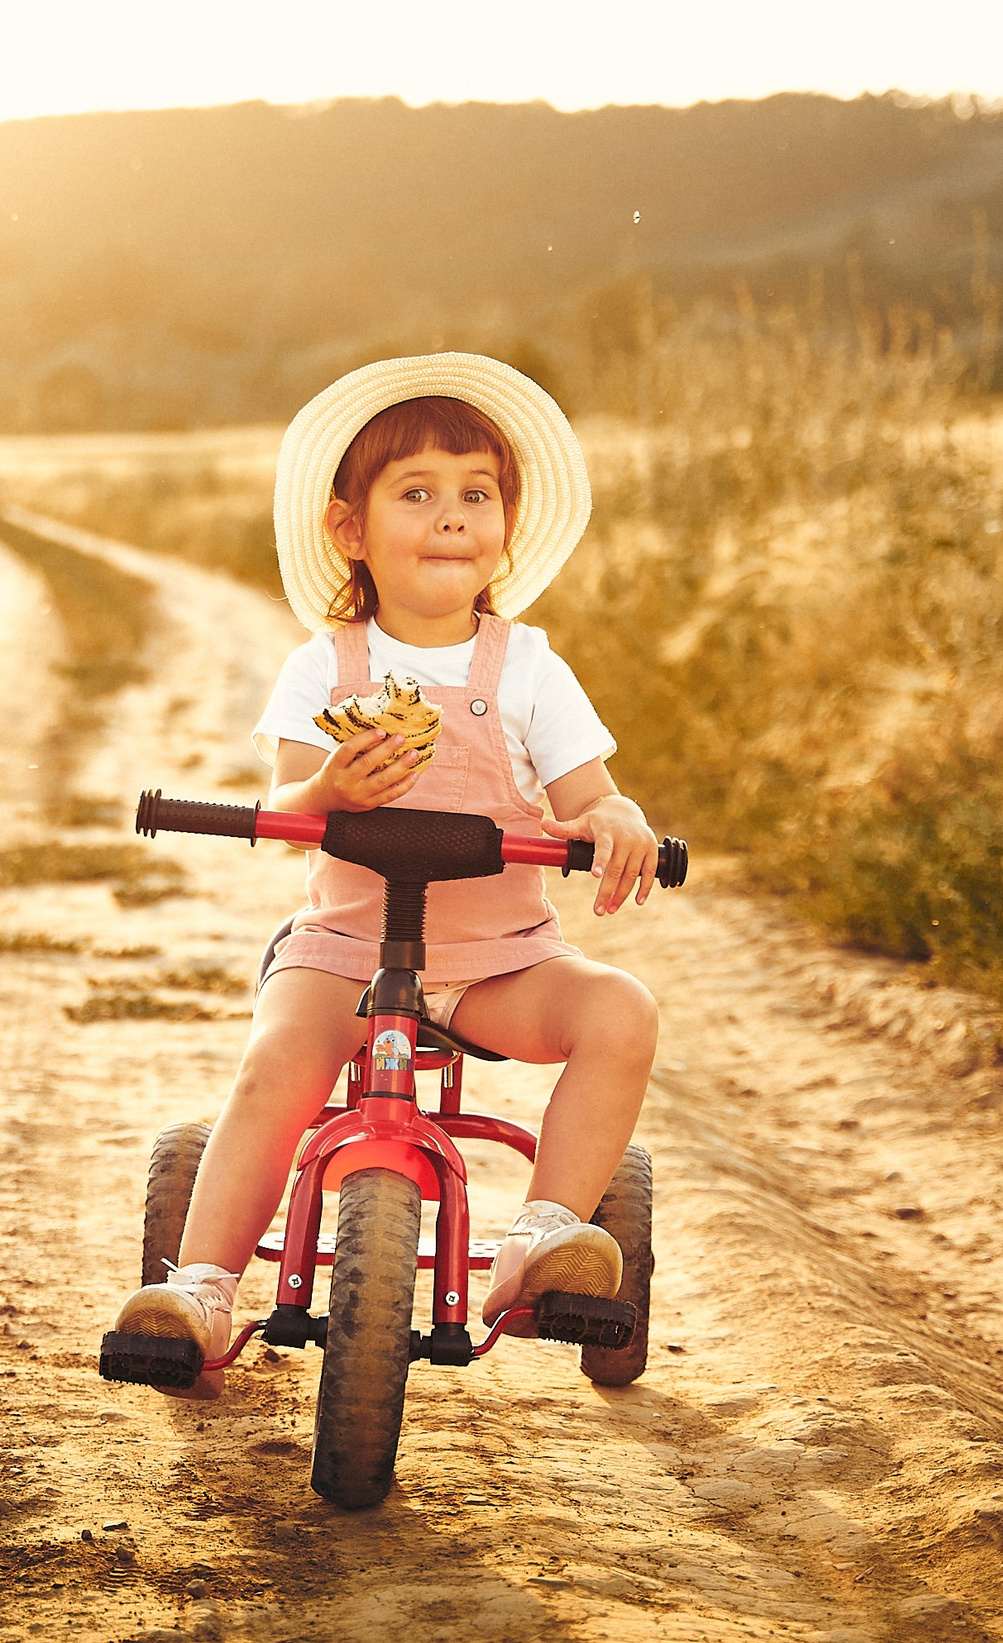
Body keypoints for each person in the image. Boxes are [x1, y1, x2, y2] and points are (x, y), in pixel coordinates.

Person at [110, 353, 662, 1396]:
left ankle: (542, 1236)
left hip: (499, 960)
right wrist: (329, 789)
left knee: (619, 1013)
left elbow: (591, 796)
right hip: (348, 952)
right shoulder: (327, 665)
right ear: (350, 530)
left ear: (504, 522)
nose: (451, 516)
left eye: (475, 494)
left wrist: (616, 818)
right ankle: (202, 1285)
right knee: (276, 1069)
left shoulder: (527, 668)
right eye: (416, 494)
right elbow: (282, 815)